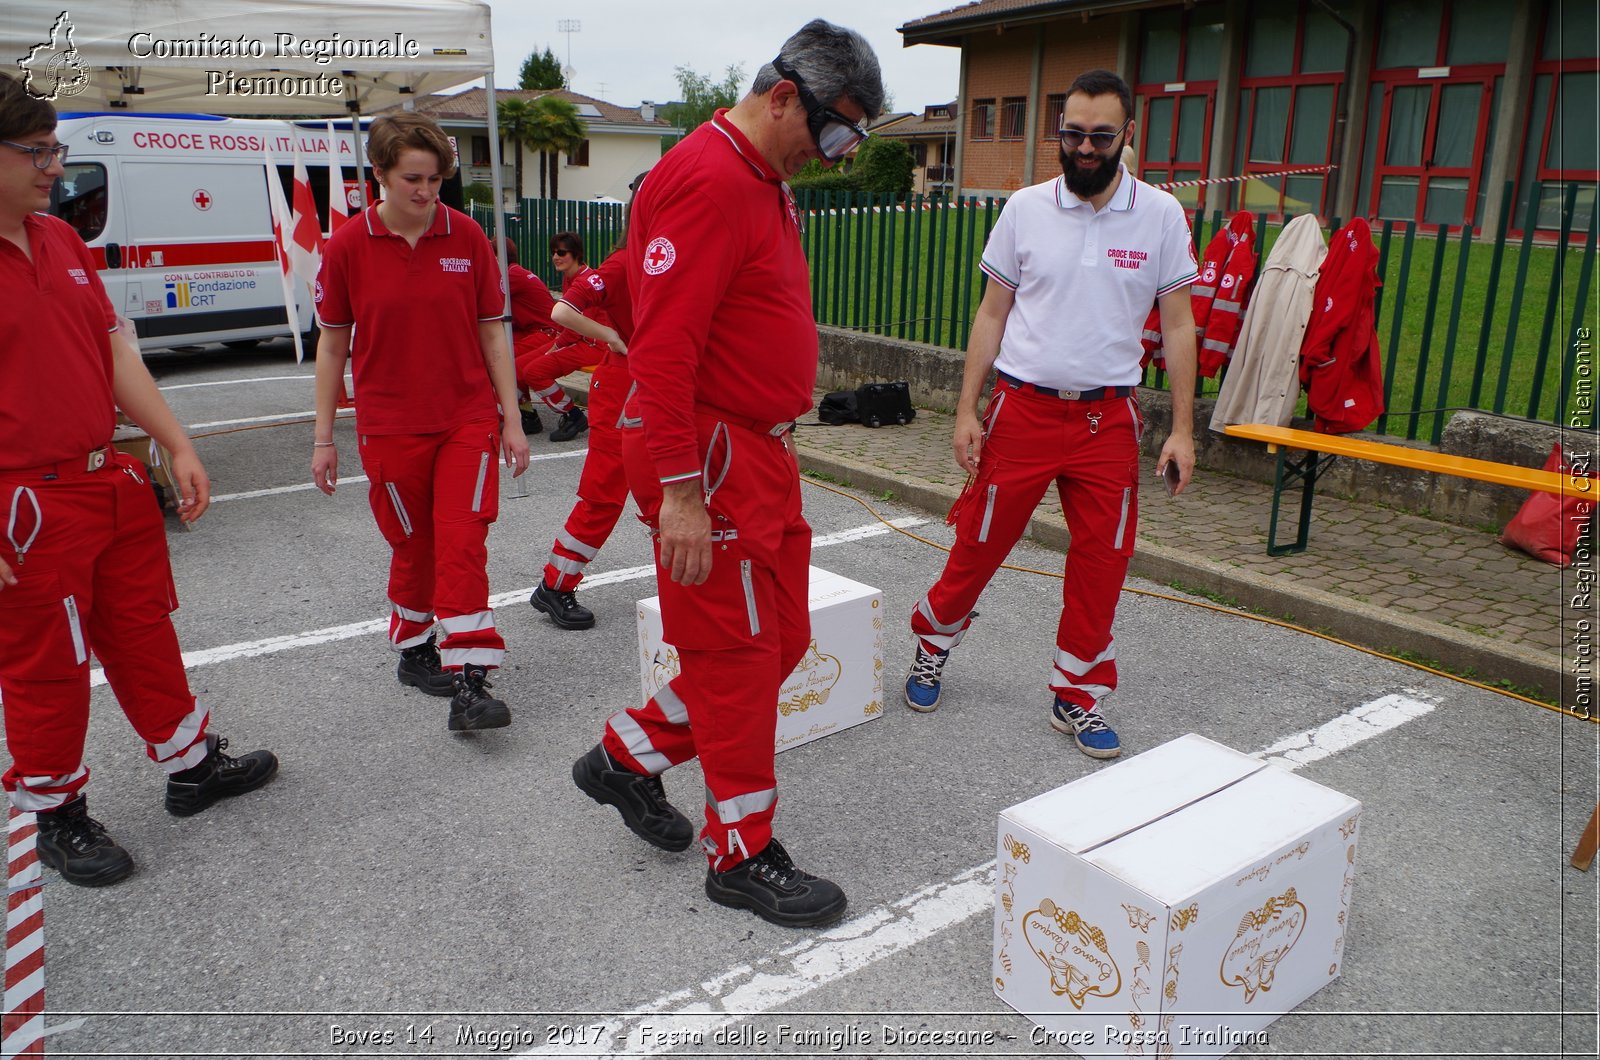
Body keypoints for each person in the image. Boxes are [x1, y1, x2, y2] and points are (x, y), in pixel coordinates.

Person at [570, 20, 883, 928]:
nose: (834, 156)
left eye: (850, 142)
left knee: (778, 640)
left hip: (756, 448)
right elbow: (664, 351)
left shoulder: (760, 175)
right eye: (832, 134)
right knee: (741, 657)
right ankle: (740, 852)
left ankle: (627, 756)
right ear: (784, 95)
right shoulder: (710, 179)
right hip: (708, 454)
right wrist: (679, 493)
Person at [0, 72, 277, 887]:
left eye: (57, 149)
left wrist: (175, 442)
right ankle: (56, 812)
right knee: (47, 663)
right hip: (26, 500)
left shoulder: (59, 242)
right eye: (36, 151)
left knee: (142, 627)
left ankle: (191, 764)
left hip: (104, 482)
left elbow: (117, 352)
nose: (55, 167)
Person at [903, 69, 1198, 761]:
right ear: (1058, 134)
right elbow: (992, 311)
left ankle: (1079, 694)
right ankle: (933, 643)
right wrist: (966, 408)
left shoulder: (1160, 215)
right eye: (1072, 134)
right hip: (1023, 410)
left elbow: (1179, 326)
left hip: (1107, 423)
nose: (1085, 149)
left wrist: (1183, 429)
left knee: (1104, 562)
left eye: (1100, 136)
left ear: (1128, 135)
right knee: (978, 544)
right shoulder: (1025, 209)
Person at [310, 111, 531, 732]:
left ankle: (471, 681)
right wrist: (324, 438)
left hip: (466, 418)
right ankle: (413, 647)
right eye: (412, 178)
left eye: (435, 179)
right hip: (389, 426)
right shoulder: (348, 246)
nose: (426, 192)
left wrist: (511, 418)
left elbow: (494, 331)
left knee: (462, 542)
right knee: (416, 545)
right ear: (377, 173)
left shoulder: (466, 239)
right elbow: (332, 346)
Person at [528, 176, 644, 631]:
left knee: (671, 492)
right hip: (621, 389)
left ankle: (688, 593)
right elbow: (561, 310)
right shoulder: (621, 264)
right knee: (604, 496)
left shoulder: (674, 258)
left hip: (660, 388)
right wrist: (611, 336)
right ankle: (555, 585)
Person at [514, 231, 612, 442]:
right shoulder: (570, 277)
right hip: (575, 338)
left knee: (534, 372)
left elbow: (578, 328)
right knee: (516, 367)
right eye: (553, 252)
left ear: (576, 254)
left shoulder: (586, 280)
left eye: (561, 252)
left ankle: (573, 415)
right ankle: (528, 415)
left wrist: (555, 346)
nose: (556, 257)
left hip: (594, 344)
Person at [498, 235, 560, 436]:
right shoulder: (514, 272)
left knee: (502, 361)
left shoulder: (508, 276)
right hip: (537, 329)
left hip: (546, 332)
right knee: (497, 354)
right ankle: (525, 413)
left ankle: (524, 413)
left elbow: (482, 303)